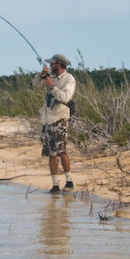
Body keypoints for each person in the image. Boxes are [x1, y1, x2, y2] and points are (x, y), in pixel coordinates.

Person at [36, 53, 75, 194]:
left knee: (61, 150)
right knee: (51, 153)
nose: (51, 65)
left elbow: (65, 97)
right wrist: (42, 74)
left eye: (53, 63)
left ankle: (69, 181)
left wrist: (52, 87)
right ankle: (55, 185)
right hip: (47, 119)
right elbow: (36, 84)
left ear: (59, 64)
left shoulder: (69, 79)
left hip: (60, 118)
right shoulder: (49, 76)